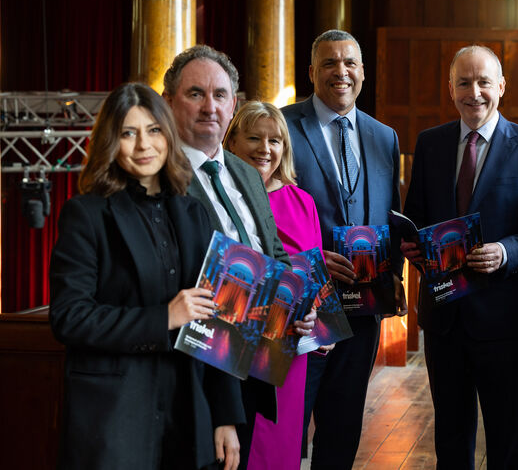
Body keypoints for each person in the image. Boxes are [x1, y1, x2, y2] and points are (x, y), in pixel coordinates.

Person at [49, 82, 245, 470]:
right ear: (111, 141)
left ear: (168, 135)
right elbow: (69, 317)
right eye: (128, 133)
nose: (144, 145)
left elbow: (216, 318)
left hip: (187, 409)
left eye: (154, 130)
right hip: (114, 416)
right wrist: (164, 317)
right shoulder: (86, 214)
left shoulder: (194, 214)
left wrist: (225, 416)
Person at [401, 45, 518, 469]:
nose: (474, 92)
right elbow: (417, 219)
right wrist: (413, 247)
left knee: (508, 441)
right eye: (464, 83)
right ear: (450, 89)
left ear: (501, 87)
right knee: (451, 440)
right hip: (443, 317)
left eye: (484, 82)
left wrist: (507, 251)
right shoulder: (430, 144)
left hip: (502, 319)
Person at [282, 29, 407, 468]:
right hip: (302, 307)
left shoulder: (383, 136)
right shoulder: (282, 127)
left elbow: (391, 214)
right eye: (330, 63)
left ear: (363, 72)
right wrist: (305, 264)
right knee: (290, 426)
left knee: (343, 427)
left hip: (363, 307)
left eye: (350, 62)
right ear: (311, 72)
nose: (341, 72)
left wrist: (393, 279)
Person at [162, 45, 293, 468]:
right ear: (168, 101)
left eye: (219, 95)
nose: (210, 107)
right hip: (195, 368)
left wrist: (298, 303)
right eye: (195, 94)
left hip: (254, 362)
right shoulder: (160, 179)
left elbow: (274, 253)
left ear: (233, 105)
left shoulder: (246, 173)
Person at [224, 100, 328, 469]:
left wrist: (320, 326)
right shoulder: (221, 197)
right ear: (231, 142)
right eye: (254, 138)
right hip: (230, 348)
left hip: (288, 352)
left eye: (275, 140)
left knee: (279, 449)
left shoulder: (302, 202)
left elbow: (316, 278)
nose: (265, 149)